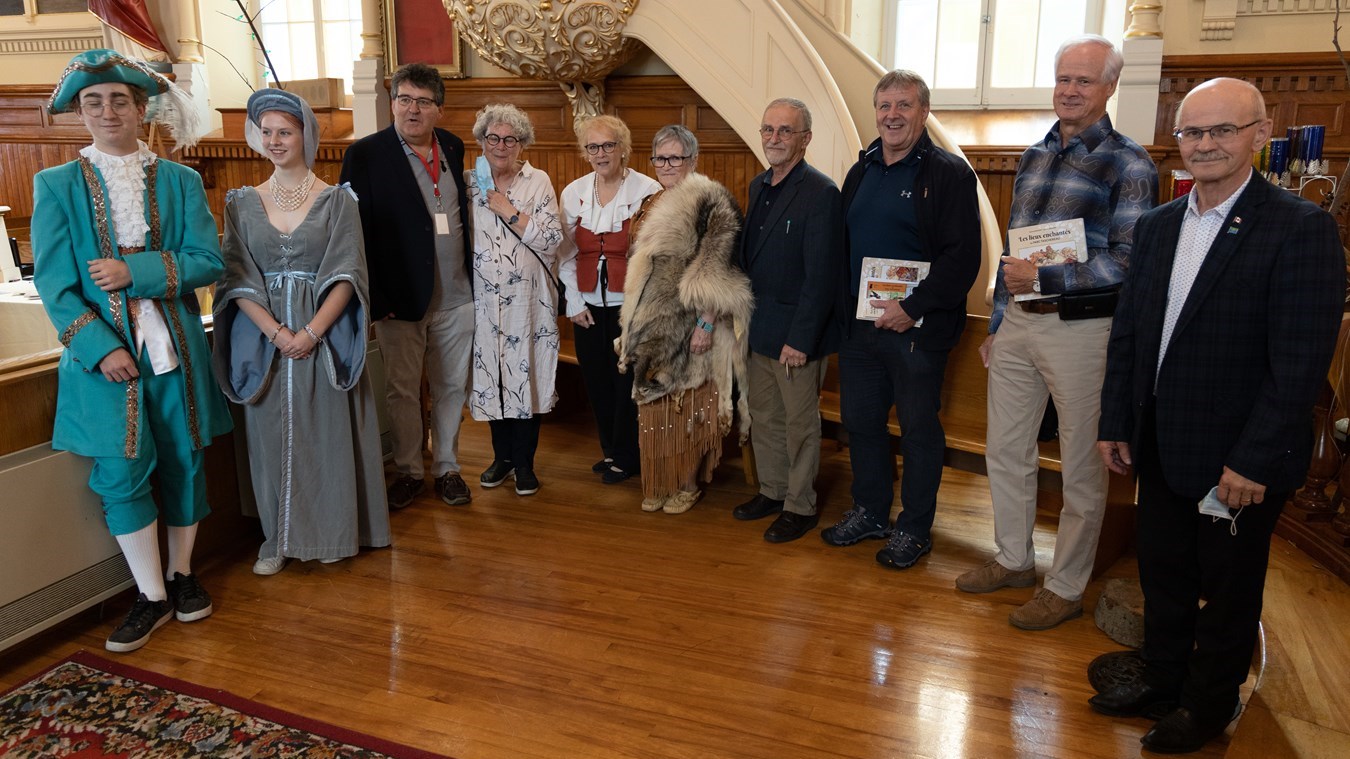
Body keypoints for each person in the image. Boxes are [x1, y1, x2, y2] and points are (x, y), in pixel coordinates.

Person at [1092, 77, 1343, 754]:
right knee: (1163, 576)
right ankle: (1166, 678)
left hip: (1238, 461)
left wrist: (1254, 459)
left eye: (1222, 131)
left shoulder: (1301, 227)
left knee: (1228, 595)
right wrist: (1117, 420)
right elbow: (1133, 335)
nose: (1205, 145)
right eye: (1193, 132)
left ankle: (1207, 704)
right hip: (1161, 442)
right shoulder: (1157, 225)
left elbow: (1298, 365)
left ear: (1259, 136)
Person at [31, 49, 232, 652]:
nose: (108, 110)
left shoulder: (181, 180)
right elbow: (55, 285)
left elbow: (207, 260)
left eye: (120, 99)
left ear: (141, 108)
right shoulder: (56, 185)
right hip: (104, 363)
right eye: (94, 102)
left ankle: (183, 574)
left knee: (184, 460)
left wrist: (133, 271)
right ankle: (150, 596)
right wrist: (98, 349)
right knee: (120, 473)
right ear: (80, 112)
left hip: (175, 351)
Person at [955, 36, 1158, 630]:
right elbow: (1013, 249)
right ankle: (1014, 560)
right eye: (1064, 78)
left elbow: (1127, 262)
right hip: (1019, 323)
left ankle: (1066, 587)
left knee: (1081, 466)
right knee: (1007, 450)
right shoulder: (1035, 153)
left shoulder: (1131, 163)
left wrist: (1043, 276)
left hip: (1083, 332)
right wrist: (998, 323)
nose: (1070, 90)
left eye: (1085, 81)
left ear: (1110, 87)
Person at [212, 88, 390, 576]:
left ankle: (332, 532)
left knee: (325, 436)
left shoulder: (337, 201)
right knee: (270, 438)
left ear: (305, 135)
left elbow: (350, 274)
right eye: (266, 132)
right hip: (264, 339)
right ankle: (276, 539)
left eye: (284, 131)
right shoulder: (242, 203)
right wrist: (275, 333)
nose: (274, 140)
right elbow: (236, 278)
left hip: (324, 337)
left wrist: (311, 333)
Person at [819, 71, 981, 567]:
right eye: (884, 105)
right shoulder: (862, 169)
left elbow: (963, 258)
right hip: (861, 327)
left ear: (923, 111)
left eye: (904, 105)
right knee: (862, 423)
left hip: (917, 330)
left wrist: (911, 308)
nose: (892, 115)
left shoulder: (948, 173)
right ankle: (869, 511)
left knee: (916, 430)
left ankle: (913, 529)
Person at [339, 63, 473, 510]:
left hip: (457, 295)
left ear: (439, 109)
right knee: (401, 389)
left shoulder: (453, 147)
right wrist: (376, 299)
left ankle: (448, 467)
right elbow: (352, 233)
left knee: (452, 386)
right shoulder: (366, 155)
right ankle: (410, 471)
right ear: (392, 102)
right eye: (403, 99)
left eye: (423, 102)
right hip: (399, 300)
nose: (412, 110)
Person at [617, 125, 753, 515]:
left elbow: (718, 269)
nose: (667, 165)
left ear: (693, 160)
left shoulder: (712, 200)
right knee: (654, 411)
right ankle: (659, 481)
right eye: (660, 158)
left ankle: (688, 483)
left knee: (689, 409)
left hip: (693, 327)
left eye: (675, 157)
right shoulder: (651, 201)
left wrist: (705, 325)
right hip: (652, 323)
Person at [733, 98, 842, 543]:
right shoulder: (760, 185)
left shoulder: (821, 193)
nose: (773, 139)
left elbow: (823, 276)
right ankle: (773, 490)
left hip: (797, 335)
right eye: (768, 130)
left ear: (805, 139)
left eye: (784, 131)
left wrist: (801, 338)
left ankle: (800, 505)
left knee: (800, 425)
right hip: (760, 327)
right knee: (764, 416)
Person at [465, 103, 564, 496]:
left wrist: (510, 213)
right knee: (493, 377)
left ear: (522, 144)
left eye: (511, 139)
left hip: (529, 299)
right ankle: (501, 458)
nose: (501, 145)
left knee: (527, 376)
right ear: (482, 142)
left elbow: (552, 239)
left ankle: (525, 464)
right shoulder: (470, 182)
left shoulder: (536, 181)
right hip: (484, 301)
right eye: (493, 138)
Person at [559, 115, 661, 484]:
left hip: (629, 307)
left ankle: (627, 456)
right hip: (587, 306)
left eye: (608, 146)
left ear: (623, 148)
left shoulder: (647, 189)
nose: (600, 154)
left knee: (626, 386)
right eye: (593, 147)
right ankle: (610, 450)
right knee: (597, 381)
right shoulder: (574, 192)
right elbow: (565, 254)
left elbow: (655, 257)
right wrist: (573, 301)